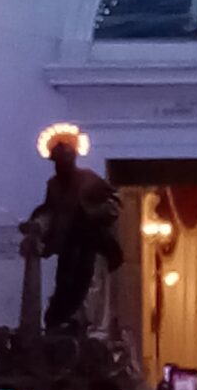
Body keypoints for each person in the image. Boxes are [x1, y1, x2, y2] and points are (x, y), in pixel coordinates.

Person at [21, 127, 123, 332]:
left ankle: (81, 319)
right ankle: (61, 320)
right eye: (58, 161)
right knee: (64, 282)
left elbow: (114, 204)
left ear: (73, 158)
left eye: (65, 159)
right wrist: (37, 222)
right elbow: (49, 208)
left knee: (85, 282)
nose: (62, 164)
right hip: (67, 243)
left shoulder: (89, 179)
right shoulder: (54, 185)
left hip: (90, 241)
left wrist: (91, 211)